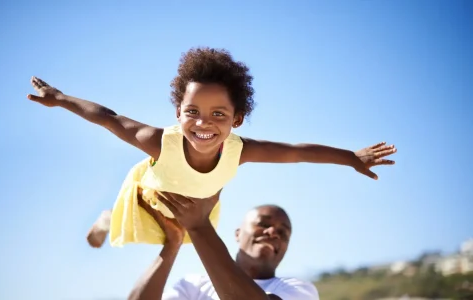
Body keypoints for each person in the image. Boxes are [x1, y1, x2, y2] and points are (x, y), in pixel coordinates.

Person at [27, 47, 397, 249]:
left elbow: (296, 152)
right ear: (178, 112)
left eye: (218, 113)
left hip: (198, 207)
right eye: (193, 112)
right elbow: (109, 117)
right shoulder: (159, 141)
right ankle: (110, 217)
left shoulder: (240, 149)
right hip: (149, 199)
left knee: (180, 236)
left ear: (236, 119)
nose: (203, 123)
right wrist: (60, 98)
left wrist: (349, 158)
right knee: (148, 227)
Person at [127, 191, 319, 300]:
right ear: (238, 233)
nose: (273, 233)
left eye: (283, 232)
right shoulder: (193, 286)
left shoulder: (300, 290)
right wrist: (172, 245)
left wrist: (199, 226)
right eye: (263, 224)